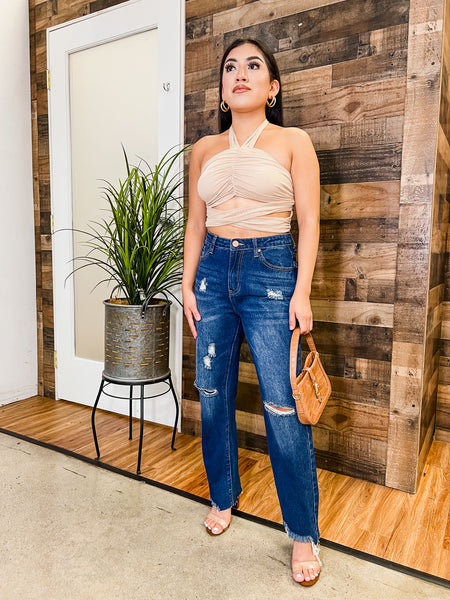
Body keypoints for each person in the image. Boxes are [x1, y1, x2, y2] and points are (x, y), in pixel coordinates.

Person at [182, 38, 321, 586]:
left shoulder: (293, 141)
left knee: (281, 404)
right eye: (231, 67)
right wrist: (188, 285)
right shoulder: (204, 150)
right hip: (212, 273)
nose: (240, 74)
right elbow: (195, 224)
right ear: (222, 89)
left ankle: (302, 531)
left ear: (273, 87)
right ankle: (223, 495)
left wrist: (302, 291)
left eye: (253, 66)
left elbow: (307, 221)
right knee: (211, 391)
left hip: (271, 273)